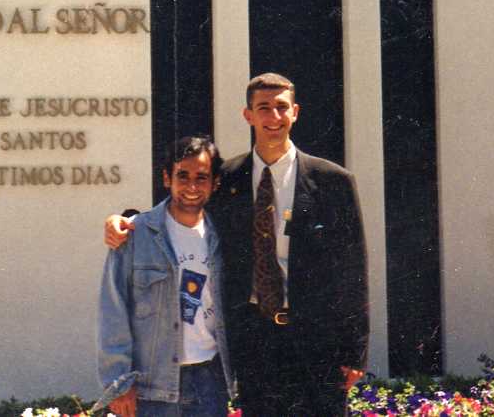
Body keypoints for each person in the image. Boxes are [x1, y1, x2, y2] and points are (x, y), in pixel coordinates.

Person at [106, 73, 368, 416]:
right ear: (248, 115)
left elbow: (353, 270)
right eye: (264, 108)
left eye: (281, 107)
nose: (273, 117)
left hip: (317, 344)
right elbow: (179, 207)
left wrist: (355, 352)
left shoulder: (333, 181)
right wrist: (127, 220)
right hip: (254, 341)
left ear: (295, 113)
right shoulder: (226, 179)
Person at [95, 136, 235, 417]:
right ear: (166, 178)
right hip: (151, 387)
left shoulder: (225, 236)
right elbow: (113, 310)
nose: (192, 187)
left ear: (214, 183)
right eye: (182, 175)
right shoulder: (136, 235)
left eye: (201, 177)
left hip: (210, 384)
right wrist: (119, 382)